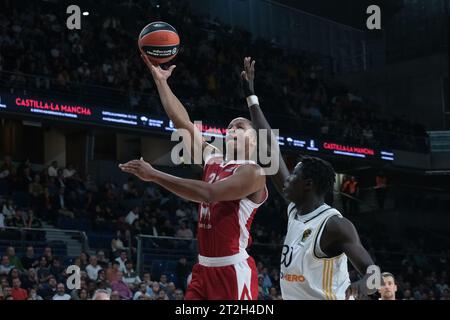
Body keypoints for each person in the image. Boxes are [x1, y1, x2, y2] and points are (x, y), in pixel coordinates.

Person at [119, 55, 267, 300]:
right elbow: (182, 122)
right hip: (203, 269)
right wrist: (161, 82)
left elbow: (209, 193)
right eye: (230, 126)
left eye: (240, 127)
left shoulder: (253, 172)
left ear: (254, 140)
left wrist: (155, 175)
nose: (232, 128)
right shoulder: (214, 159)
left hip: (231, 270)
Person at [241, 56, 380, 300]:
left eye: (293, 175)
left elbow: (374, 275)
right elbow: (270, 152)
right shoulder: (296, 210)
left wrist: (361, 285)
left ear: (308, 184)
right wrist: (251, 98)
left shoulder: (335, 225)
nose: (287, 178)